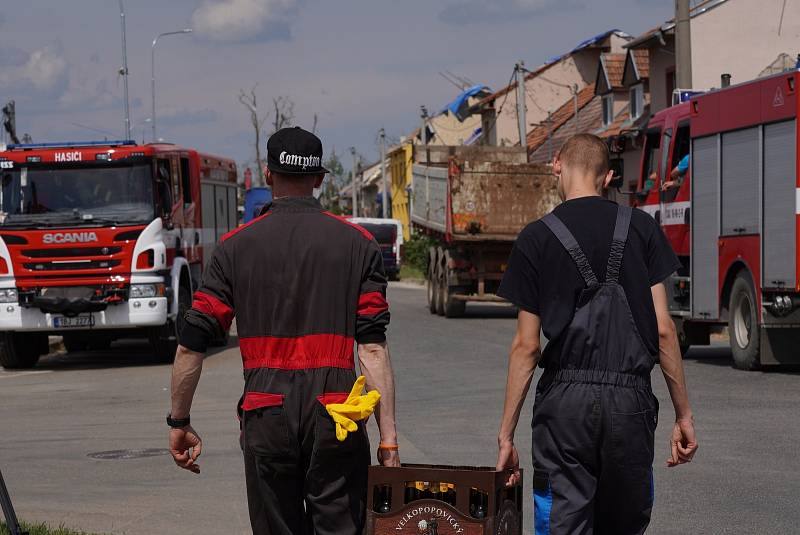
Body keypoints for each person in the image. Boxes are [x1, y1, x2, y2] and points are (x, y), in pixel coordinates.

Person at [168, 126, 400, 535]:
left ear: (267, 174)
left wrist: (179, 421)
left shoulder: (234, 247)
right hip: (337, 411)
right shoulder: (358, 243)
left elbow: (191, 346)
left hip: (265, 410)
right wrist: (389, 441)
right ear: (319, 179)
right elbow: (373, 349)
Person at [495, 134, 697, 535]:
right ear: (607, 177)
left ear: (556, 166)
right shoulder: (641, 228)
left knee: (563, 522)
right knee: (624, 524)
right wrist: (684, 415)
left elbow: (526, 346)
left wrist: (506, 434)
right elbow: (663, 330)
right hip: (630, 401)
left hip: (564, 408)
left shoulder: (536, 238)